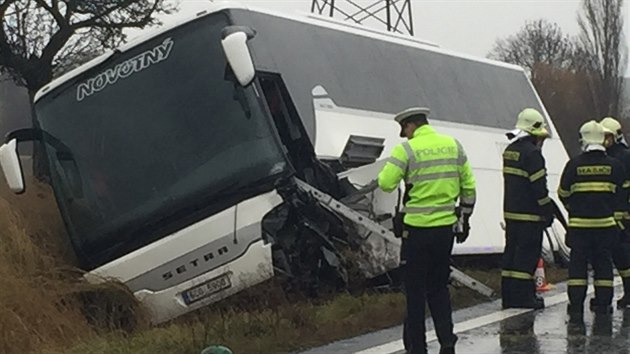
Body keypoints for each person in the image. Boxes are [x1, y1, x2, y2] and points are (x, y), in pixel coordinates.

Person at [377, 107, 476, 354]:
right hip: (445, 231)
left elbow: (386, 184)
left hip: (416, 232)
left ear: (411, 125)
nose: (404, 134)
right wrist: (464, 218)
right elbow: (469, 187)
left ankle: (417, 349)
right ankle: (447, 343)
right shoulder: (454, 145)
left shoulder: (407, 150)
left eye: (404, 129)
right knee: (439, 287)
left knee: (415, 292)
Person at [558, 120, 625, 317]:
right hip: (605, 227)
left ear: (584, 140)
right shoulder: (615, 166)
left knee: (578, 267)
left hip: (579, 227)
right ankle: (603, 304)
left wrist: (575, 209)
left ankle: (576, 304)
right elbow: (621, 196)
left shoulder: (573, 165)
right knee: (603, 265)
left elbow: (563, 193)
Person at [501, 108, 554, 309]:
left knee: (511, 257)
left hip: (511, 214)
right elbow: (539, 189)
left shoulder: (510, 151)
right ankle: (524, 298)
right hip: (530, 217)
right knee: (527, 259)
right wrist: (547, 212)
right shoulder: (533, 155)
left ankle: (509, 297)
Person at [599, 117, 630, 309]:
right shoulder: (604, 157)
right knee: (610, 256)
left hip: (623, 216)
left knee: (623, 255)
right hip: (606, 214)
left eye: (607, 136)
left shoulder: (625, 156)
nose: (604, 140)